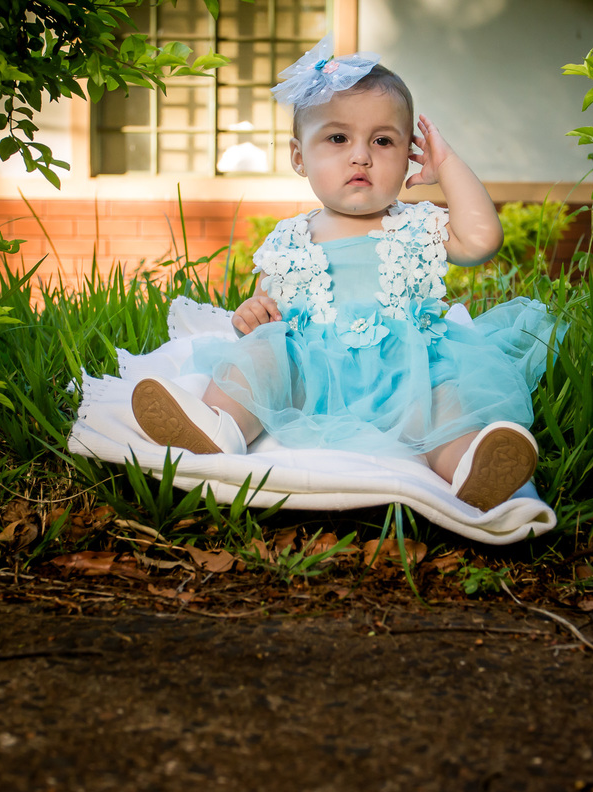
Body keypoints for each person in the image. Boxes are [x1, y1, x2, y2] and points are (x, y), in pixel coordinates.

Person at [130, 35, 566, 512]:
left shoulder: (418, 224)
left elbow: (483, 239)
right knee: (260, 361)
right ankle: (218, 426)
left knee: (445, 405)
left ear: (408, 157)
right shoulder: (290, 237)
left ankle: (471, 466)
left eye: (383, 141)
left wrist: (448, 164)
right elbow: (266, 306)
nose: (362, 156)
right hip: (310, 375)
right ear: (300, 157)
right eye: (338, 139)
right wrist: (252, 316)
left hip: (408, 373)